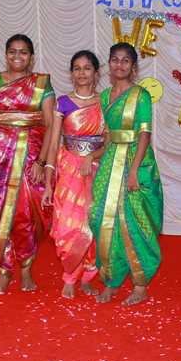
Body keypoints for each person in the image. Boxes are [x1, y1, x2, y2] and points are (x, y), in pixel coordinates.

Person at [0, 34, 55, 294]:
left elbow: (50, 124)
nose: (17, 56)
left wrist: (42, 161)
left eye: (23, 52)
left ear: (31, 57)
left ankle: (26, 268)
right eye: (12, 51)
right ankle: (4, 270)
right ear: (6, 54)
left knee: (25, 215)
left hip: (31, 157)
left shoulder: (42, 83)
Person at [89, 42, 163, 305]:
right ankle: (111, 279)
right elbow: (107, 136)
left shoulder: (141, 95)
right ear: (109, 64)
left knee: (135, 222)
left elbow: (145, 133)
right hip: (110, 161)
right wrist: (95, 158)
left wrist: (133, 171)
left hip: (136, 161)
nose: (119, 65)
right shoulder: (104, 95)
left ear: (133, 67)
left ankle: (140, 284)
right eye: (115, 60)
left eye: (125, 61)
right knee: (101, 218)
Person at [41, 51, 105, 298]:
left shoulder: (105, 101)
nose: (81, 73)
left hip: (97, 169)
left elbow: (109, 142)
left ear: (96, 72)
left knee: (93, 224)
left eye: (87, 68)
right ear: (71, 73)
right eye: (77, 68)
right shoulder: (63, 103)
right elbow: (53, 144)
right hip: (69, 171)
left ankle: (87, 276)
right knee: (69, 224)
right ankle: (69, 275)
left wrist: (91, 156)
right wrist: (48, 184)